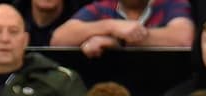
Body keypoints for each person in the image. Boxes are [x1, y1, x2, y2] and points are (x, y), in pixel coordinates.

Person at [50, 0, 193, 56]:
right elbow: (58, 39)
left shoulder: (171, 4)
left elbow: (184, 38)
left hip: (162, 94)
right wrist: (111, 26)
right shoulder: (102, 8)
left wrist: (118, 42)